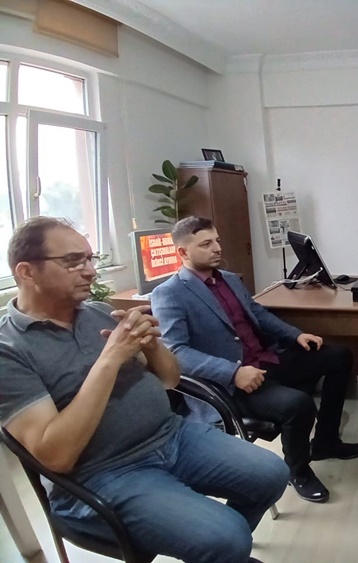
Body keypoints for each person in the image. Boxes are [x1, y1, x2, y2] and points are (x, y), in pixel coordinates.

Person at [0, 217, 287, 563]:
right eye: (73, 261)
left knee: (272, 475)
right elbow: (56, 456)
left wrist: (152, 346)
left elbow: (170, 379)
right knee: (227, 537)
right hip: (103, 474)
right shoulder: (8, 349)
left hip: (171, 436)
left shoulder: (98, 313)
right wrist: (110, 360)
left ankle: (222, 556)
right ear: (26, 272)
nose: (90, 271)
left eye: (90, 259)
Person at [150, 216, 358, 504]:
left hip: (266, 361)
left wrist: (296, 335)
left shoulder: (229, 279)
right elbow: (176, 352)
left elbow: (258, 314)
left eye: (217, 241)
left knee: (338, 356)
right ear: (183, 252)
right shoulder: (169, 294)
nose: (217, 248)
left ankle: (325, 441)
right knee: (298, 404)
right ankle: (298, 472)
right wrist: (232, 372)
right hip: (232, 383)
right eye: (206, 244)